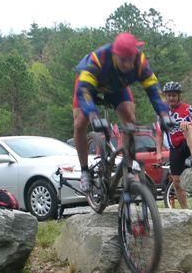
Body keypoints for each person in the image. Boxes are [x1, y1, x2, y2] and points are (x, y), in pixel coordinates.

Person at [72, 33, 173, 191]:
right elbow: (84, 91)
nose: (127, 64)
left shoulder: (140, 62)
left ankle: (128, 166)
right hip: (88, 86)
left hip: (116, 87)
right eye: (122, 60)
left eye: (130, 59)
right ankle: (85, 171)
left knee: (129, 118)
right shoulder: (99, 59)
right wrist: (93, 115)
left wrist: (165, 115)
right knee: (80, 123)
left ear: (135, 54)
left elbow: (155, 91)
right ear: (114, 54)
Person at [156, 81, 192, 209]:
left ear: (178, 96)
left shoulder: (188, 108)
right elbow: (159, 133)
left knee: (189, 127)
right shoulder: (161, 113)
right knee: (176, 182)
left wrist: (188, 124)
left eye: (174, 95)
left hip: (187, 143)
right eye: (169, 95)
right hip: (174, 148)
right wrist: (159, 152)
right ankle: (185, 210)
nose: (171, 98)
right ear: (165, 96)